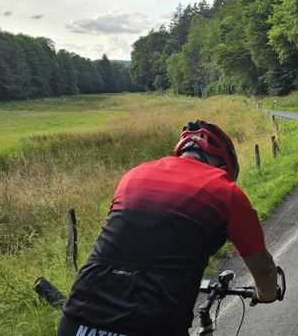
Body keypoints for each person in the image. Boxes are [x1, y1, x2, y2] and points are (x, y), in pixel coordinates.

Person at [58, 120, 282, 336]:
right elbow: (265, 270)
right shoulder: (226, 191)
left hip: (78, 316)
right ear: (226, 165)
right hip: (153, 323)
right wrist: (265, 294)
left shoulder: (132, 176)